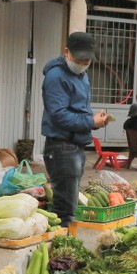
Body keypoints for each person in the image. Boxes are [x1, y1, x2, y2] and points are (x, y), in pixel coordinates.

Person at [41, 32, 109, 226]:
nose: (83, 63)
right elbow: (59, 115)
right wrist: (90, 121)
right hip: (62, 148)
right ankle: (59, 250)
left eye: (87, 59)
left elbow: (76, 109)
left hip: (75, 145)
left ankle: (63, 248)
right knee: (64, 209)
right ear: (66, 52)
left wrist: (94, 120)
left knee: (70, 204)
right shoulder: (56, 77)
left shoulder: (81, 75)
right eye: (79, 59)